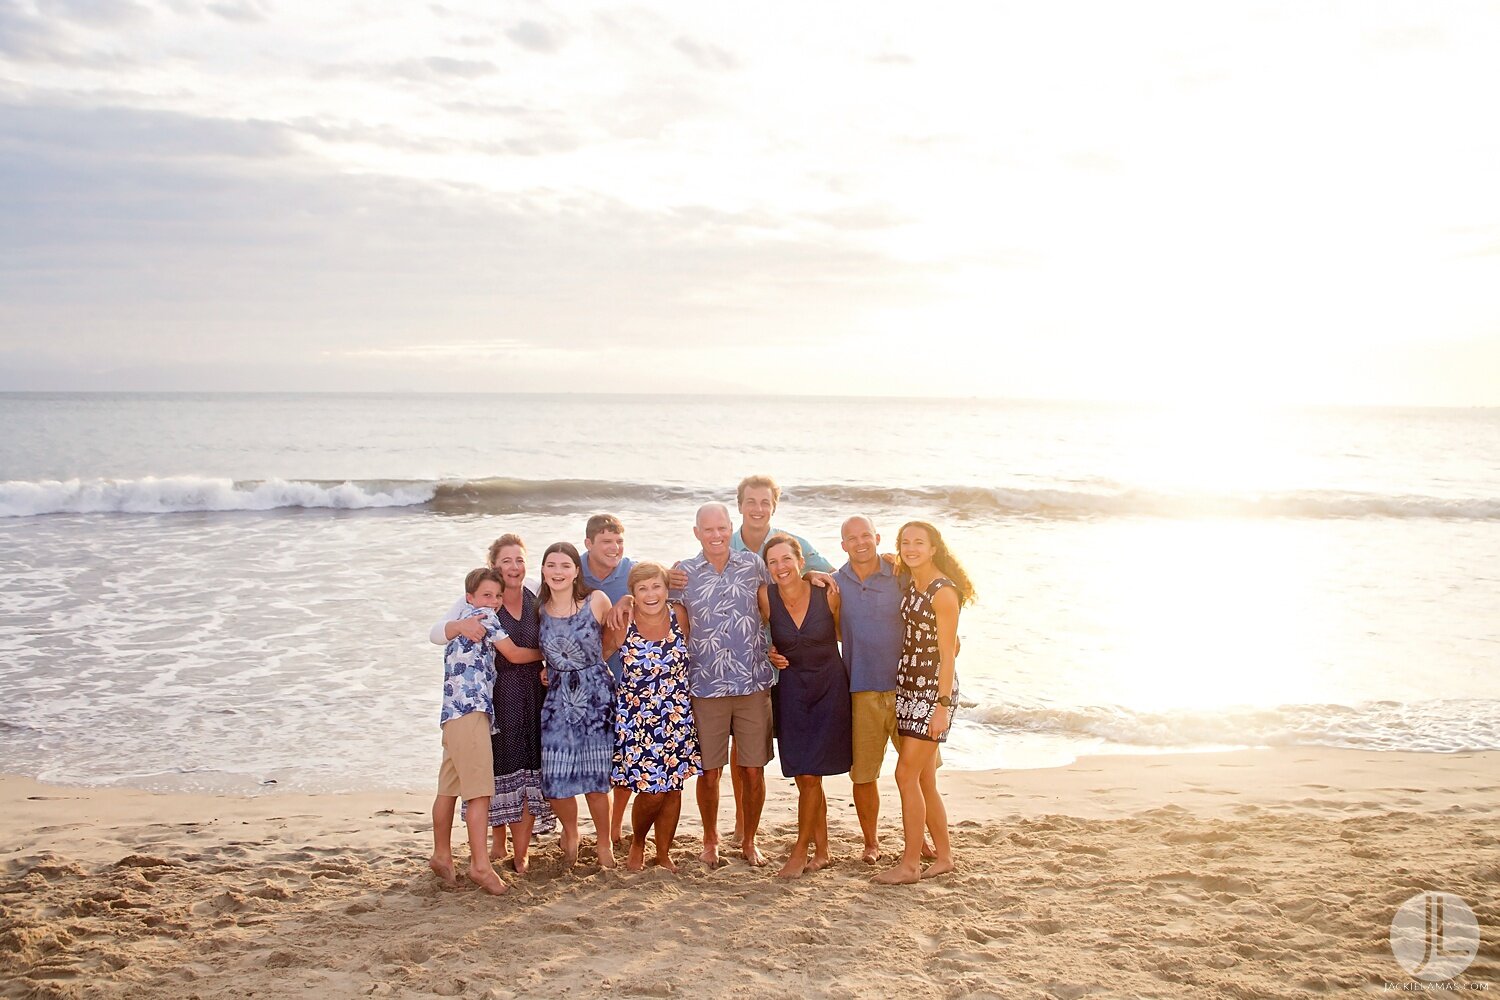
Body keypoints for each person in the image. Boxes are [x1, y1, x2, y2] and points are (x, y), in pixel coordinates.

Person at [430, 536, 551, 870]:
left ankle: (513, 852)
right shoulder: (482, 606)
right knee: (490, 780)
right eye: (506, 561)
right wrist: (553, 657)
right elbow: (436, 633)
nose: (514, 567)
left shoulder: (535, 593)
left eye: (519, 560)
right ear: (494, 565)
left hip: (521, 696)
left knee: (521, 775)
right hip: (488, 701)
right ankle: (490, 854)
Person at [873, 522, 975, 886]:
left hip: (933, 691)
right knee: (926, 778)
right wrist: (891, 558)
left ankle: (910, 865)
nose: (912, 547)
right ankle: (944, 857)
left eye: (920, 543)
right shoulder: (910, 579)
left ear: (935, 548)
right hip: (908, 687)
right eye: (906, 542)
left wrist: (942, 707)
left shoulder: (942, 592)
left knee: (905, 775)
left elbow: (949, 655)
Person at [674, 502, 775, 867]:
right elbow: (662, 612)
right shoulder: (683, 574)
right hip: (704, 686)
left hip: (752, 682)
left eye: (721, 529)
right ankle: (711, 839)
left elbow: (771, 609)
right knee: (710, 771)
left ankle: (749, 840)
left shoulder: (753, 565)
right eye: (708, 529)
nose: (715, 536)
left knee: (753, 769)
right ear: (696, 532)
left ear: (730, 528)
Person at [836, 515, 935, 864]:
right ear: (843, 544)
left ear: (878, 539)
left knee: (920, 773)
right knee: (864, 775)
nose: (860, 542)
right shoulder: (834, 584)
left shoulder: (900, 575)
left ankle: (919, 840)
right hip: (860, 690)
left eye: (866, 535)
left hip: (906, 688)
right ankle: (871, 842)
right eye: (851, 537)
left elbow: (930, 613)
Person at [758, 535, 851, 879]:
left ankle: (800, 850)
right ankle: (823, 851)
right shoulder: (765, 597)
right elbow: (756, 634)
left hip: (829, 687)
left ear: (801, 561)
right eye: (773, 562)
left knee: (812, 775)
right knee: (805, 776)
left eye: (786, 559)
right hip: (793, 690)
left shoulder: (826, 593)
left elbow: (845, 634)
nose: (780, 567)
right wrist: (769, 651)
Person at [604, 561, 703, 872]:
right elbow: (596, 657)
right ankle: (637, 843)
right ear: (632, 593)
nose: (650, 594)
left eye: (656, 586)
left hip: (677, 716)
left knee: (673, 788)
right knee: (651, 791)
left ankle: (663, 853)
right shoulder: (624, 622)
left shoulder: (680, 617)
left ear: (666, 588)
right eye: (642, 588)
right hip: (637, 720)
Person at [538, 541, 619, 869]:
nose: (558, 572)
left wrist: (592, 666)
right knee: (555, 780)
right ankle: (570, 833)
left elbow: (613, 638)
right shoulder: (539, 608)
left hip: (596, 697)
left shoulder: (596, 601)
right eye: (551, 565)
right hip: (557, 698)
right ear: (543, 570)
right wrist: (548, 668)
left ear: (575, 571)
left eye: (565, 566)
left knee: (596, 778)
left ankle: (604, 843)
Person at [429, 567, 509, 895]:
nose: (492, 601)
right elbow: (514, 654)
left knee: (449, 786)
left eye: (497, 596)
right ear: (471, 598)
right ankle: (479, 865)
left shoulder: (461, 622)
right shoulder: (485, 619)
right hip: (472, 711)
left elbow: (437, 633)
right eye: (486, 595)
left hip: (451, 713)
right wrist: (545, 659)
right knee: (479, 792)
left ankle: (441, 855)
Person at [579, 513, 636, 849]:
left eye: (618, 541)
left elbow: (660, 586)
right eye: (606, 542)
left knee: (623, 754)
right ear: (588, 544)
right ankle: (574, 827)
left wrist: (627, 599)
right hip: (582, 680)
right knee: (586, 756)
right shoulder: (573, 571)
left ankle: (614, 828)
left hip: (624, 674)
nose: (614, 548)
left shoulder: (631, 570)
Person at [730, 475, 834, 571]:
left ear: (774, 508)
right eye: (751, 502)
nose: (758, 509)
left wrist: (809, 576)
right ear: (739, 507)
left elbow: (834, 576)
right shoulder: (724, 547)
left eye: (765, 503)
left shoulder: (796, 545)